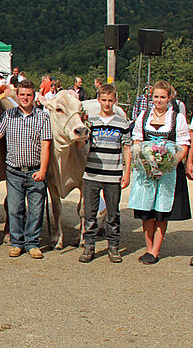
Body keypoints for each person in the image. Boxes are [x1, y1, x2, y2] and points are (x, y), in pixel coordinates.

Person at [0, 79, 52, 259]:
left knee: (36, 209)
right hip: (14, 170)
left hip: (35, 170)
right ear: (17, 96)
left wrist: (43, 170)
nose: (25, 98)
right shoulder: (9, 115)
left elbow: (46, 146)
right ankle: (17, 242)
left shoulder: (43, 117)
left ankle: (33, 243)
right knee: (15, 209)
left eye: (28, 95)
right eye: (22, 95)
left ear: (34, 96)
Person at [128, 80, 190, 265]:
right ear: (151, 97)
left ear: (169, 98)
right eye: (156, 97)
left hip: (168, 172)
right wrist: (144, 160)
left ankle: (155, 251)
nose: (159, 100)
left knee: (161, 211)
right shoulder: (143, 116)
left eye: (163, 97)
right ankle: (148, 248)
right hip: (146, 170)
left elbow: (184, 145)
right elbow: (137, 141)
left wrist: (168, 164)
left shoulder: (177, 118)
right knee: (146, 211)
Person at [79, 83, 131, 263]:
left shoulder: (122, 123)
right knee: (90, 213)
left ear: (115, 101)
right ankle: (89, 246)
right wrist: (81, 131)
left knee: (113, 213)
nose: (107, 104)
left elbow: (126, 148)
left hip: (113, 174)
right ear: (98, 100)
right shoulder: (91, 122)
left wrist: (127, 173)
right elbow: (81, 146)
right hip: (92, 174)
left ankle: (113, 246)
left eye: (110, 100)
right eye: (103, 100)